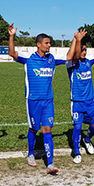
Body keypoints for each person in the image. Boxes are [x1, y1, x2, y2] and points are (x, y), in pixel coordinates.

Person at [8, 24, 74, 174]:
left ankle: (50, 163)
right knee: (34, 128)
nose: (49, 46)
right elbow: (12, 53)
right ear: (38, 44)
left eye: (50, 43)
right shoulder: (29, 60)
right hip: (33, 100)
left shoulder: (51, 60)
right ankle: (31, 153)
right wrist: (11, 36)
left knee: (47, 129)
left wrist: (75, 39)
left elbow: (69, 57)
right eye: (47, 43)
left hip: (48, 101)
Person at [66, 30, 94, 163]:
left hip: (90, 102)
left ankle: (87, 140)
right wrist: (77, 40)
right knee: (78, 127)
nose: (83, 52)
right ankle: (77, 151)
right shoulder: (72, 64)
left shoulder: (89, 63)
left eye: (85, 50)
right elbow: (75, 55)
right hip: (77, 102)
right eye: (82, 50)